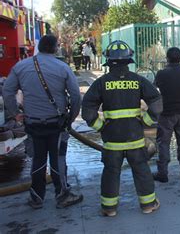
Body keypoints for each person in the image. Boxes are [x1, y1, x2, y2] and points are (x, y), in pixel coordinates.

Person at [3, 34, 83, 209]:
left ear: (39, 48)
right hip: (56, 124)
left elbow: (7, 92)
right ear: (55, 48)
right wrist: (71, 118)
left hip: (33, 123)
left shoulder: (20, 67)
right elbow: (76, 96)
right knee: (58, 159)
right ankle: (62, 195)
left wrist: (16, 114)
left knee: (38, 159)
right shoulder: (62, 68)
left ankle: (37, 198)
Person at [81, 40, 160, 216]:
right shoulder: (138, 80)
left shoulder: (101, 83)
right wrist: (144, 122)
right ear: (128, 60)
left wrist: (101, 127)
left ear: (108, 61)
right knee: (142, 171)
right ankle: (148, 205)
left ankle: (109, 209)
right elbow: (156, 104)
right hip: (135, 139)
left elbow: (87, 111)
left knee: (110, 173)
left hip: (112, 141)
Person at [153, 47, 180, 182]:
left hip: (167, 113)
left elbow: (155, 88)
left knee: (163, 143)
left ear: (167, 59)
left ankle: (163, 173)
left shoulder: (161, 74)